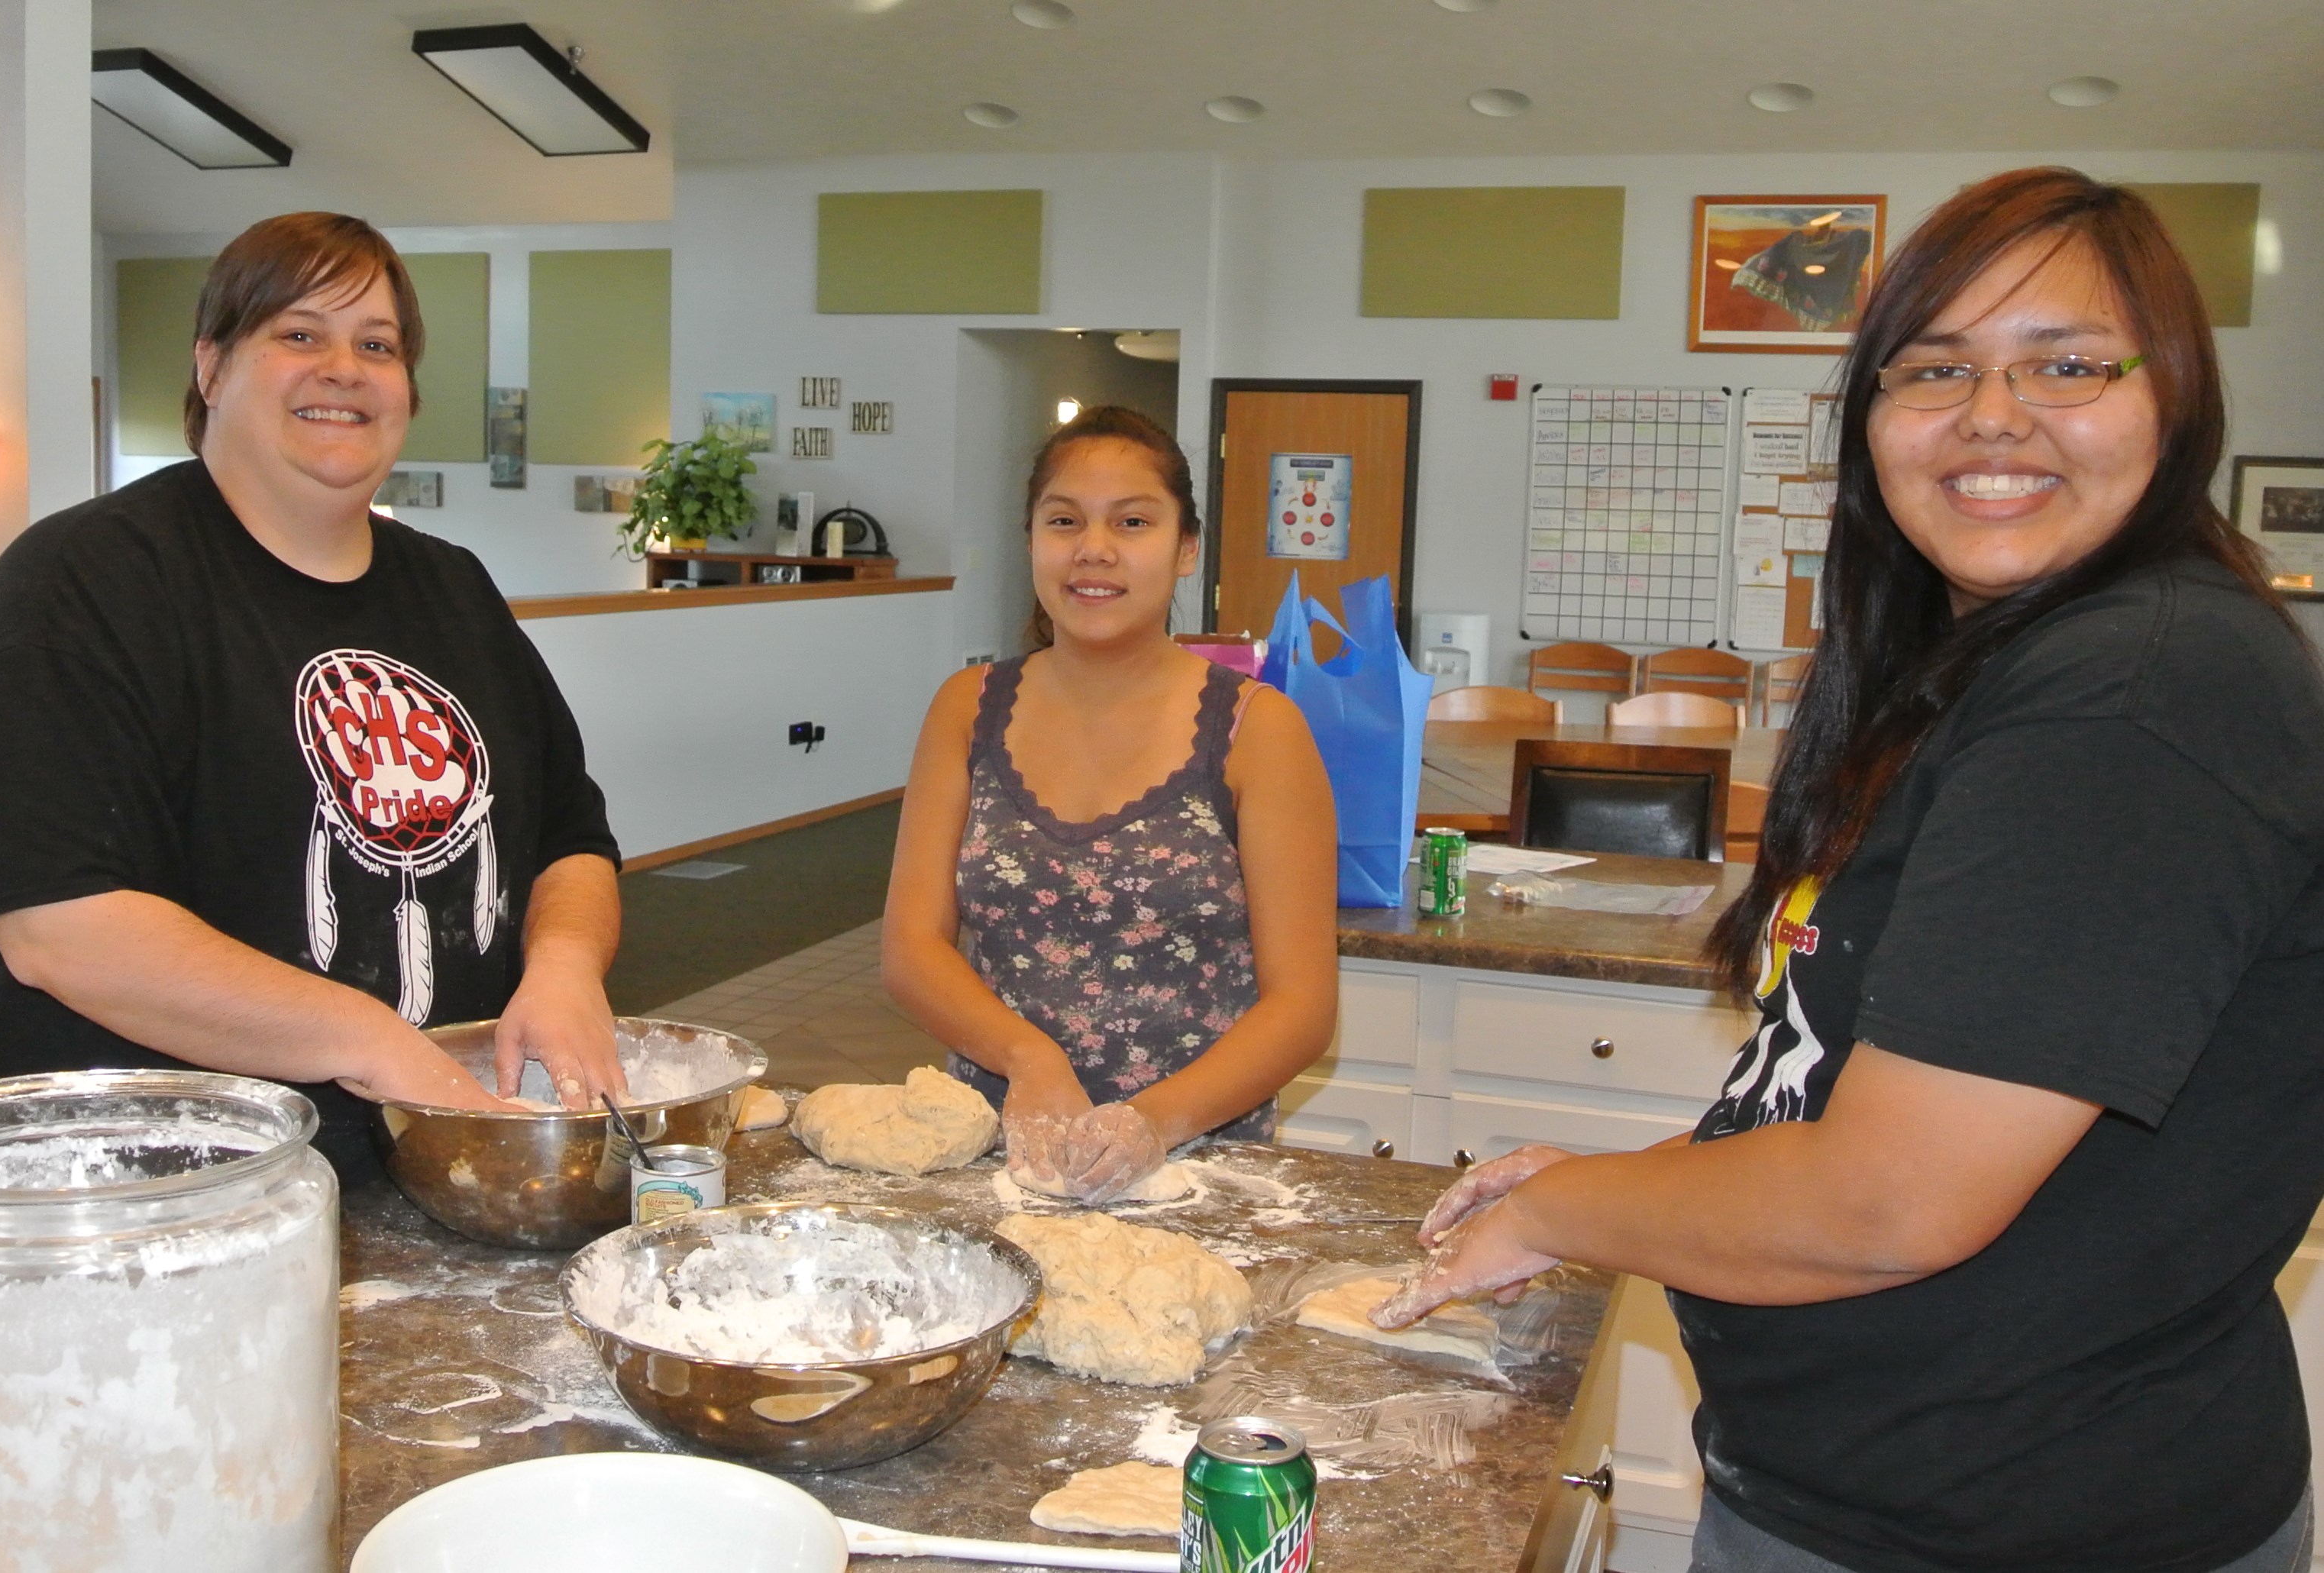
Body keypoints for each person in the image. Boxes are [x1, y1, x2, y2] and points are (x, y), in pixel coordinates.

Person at [1375, 167, 2324, 1573]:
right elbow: (1841, 1088)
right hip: (1886, 1493)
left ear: (2170, 392)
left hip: (2009, 1527)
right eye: (1930, 370)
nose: (1990, 417)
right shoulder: (1989, 666)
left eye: (2062, 364)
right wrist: (1629, 1180)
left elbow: (1888, 1201)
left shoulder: (2130, 693)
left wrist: (1559, 1207)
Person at [0, 212, 629, 1179]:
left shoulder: (455, 588)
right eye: (299, 334)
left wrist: (566, 966)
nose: (344, 369)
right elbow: (65, 928)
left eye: (378, 345)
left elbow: (569, 836)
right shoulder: (85, 581)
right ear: (211, 366)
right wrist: (375, 1041)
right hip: (165, 1189)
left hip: (433, 1155)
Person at [883, 405, 1337, 1203]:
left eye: (1132, 521)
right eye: (1064, 521)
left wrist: (1147, 1124)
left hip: (1191, 1164)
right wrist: (1029, 1058)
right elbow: (912, 949)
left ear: (1186, 547)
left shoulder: (1254, 730)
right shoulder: (967, 708)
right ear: (1031, 539)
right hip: (996, 1155)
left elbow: (1301, 1007)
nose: (1094, 548)